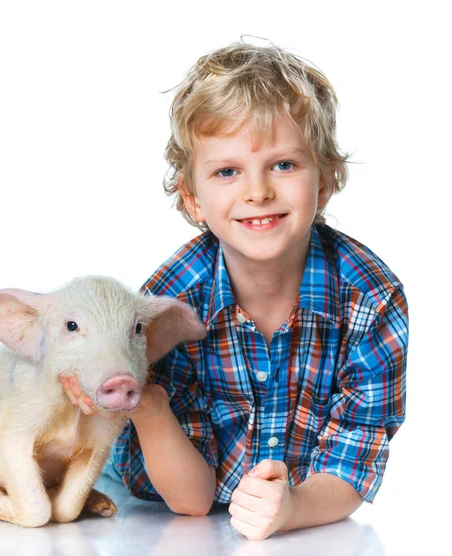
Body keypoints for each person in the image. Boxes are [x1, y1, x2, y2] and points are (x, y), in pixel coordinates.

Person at [60, 40, 408, 540]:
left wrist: (294, 508)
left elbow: (355, 459)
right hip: (150, 495)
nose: (257, 191)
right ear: (193, 197)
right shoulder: (170, 300)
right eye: (227, 171)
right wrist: (150, 406)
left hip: (297, 496)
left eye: (284, 165)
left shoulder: (371, 299)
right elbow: (193, 502)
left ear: (327, 180)